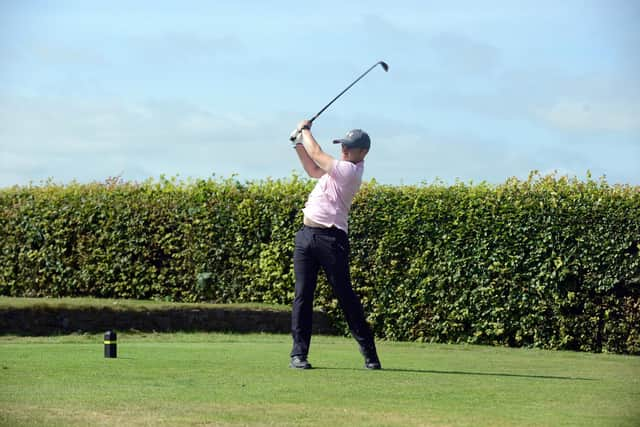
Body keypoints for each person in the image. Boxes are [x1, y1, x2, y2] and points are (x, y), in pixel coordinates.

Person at [289, 119, 381, 370]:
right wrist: (298, 144)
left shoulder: (350, 171)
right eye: (343, 146)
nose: (344, 150)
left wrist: (305, 130)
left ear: (362, 153)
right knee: (302, 296)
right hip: (307, 235)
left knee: (345, 296)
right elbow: (313, 168)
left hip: (332, 239)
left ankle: (370, 354)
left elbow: (318, 154)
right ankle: (298, 355)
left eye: (349, 148)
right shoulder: (338, 169)